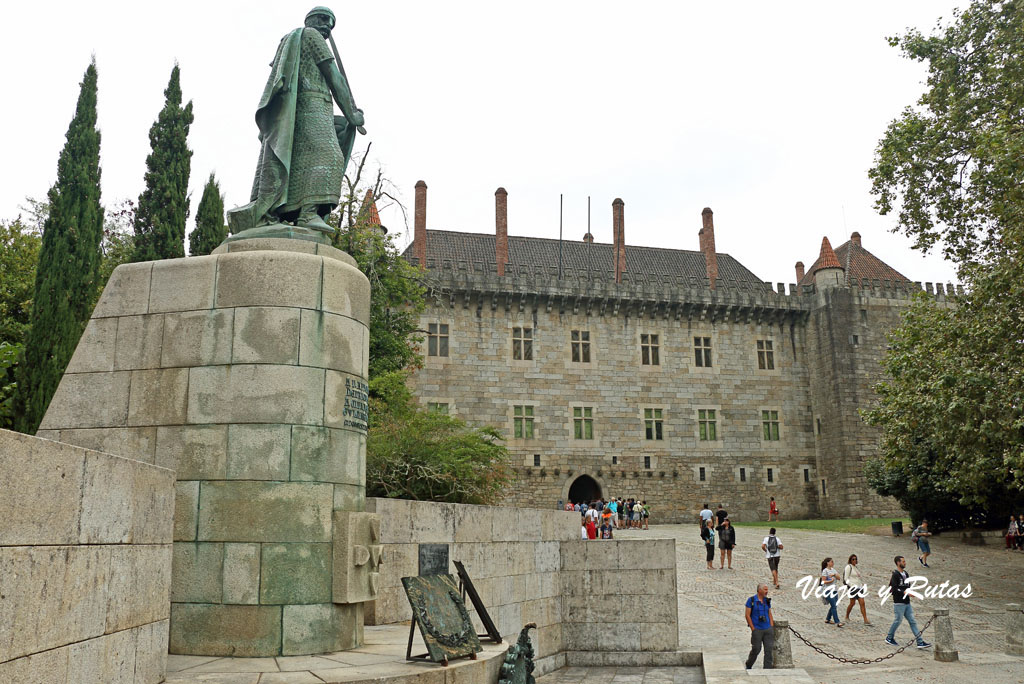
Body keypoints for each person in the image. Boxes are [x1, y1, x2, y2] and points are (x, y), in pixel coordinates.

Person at [228, 6, 365, 237]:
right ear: (310, 20)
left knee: (300, 160)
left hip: (298, 109)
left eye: (330, 24)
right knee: (330, 156)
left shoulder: (292, 40)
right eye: (323, 20)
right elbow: (332, 73)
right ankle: (308, 213)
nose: (327, 27)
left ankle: (287, 211)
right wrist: (352, 114)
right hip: (313, 104)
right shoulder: (310, 36)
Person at [885, 555, 931, 649]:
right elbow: (894, 588)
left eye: (904, 561)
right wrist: (904, 592)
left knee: (912, 621)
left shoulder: (905, 573)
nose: (905, 563)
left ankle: (920, 641)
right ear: (898, 563)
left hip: (907, 602)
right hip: (899, 602)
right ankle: (889, 637)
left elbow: (907, 586)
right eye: (903, 561)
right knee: (898, 620)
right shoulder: (895, 574)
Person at [744, 583, 775, 670]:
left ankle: (767, 668)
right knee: (756, 649)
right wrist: (753, 628)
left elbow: (769, 613)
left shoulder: (767, 601)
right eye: (765, 589)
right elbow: (747, 615)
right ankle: (749, 664)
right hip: (757, 629)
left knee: (768, 650)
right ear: (759, 590)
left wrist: (771, 625)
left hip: (767, 628)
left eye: (767, 589)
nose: (767, 591)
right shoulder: (751, 600)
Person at [843, 554, 871, 625]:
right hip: (853, 588)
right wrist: (851, 586)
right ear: (850, 560)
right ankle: (847, 616)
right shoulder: (848, 567)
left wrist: (861, 585)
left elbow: (858, 578)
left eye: (855, 559)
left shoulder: (856, 568)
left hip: (859, 587)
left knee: (862, 602)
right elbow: (846, 578)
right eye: (853, 559)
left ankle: (865, 619)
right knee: (852, 603)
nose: (854, 560)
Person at [820, 557, 843, 627]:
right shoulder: (825, 571)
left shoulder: (833, 570)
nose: (833, 563)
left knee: (835, 605)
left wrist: (834, 575)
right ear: (828, 563)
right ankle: (837, 621)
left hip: (834, 590)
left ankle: (828, 618)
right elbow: (823, 581)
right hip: (827, 590)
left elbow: (839, 578)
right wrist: (831, 580)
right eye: (831, 562)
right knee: (833, 606)